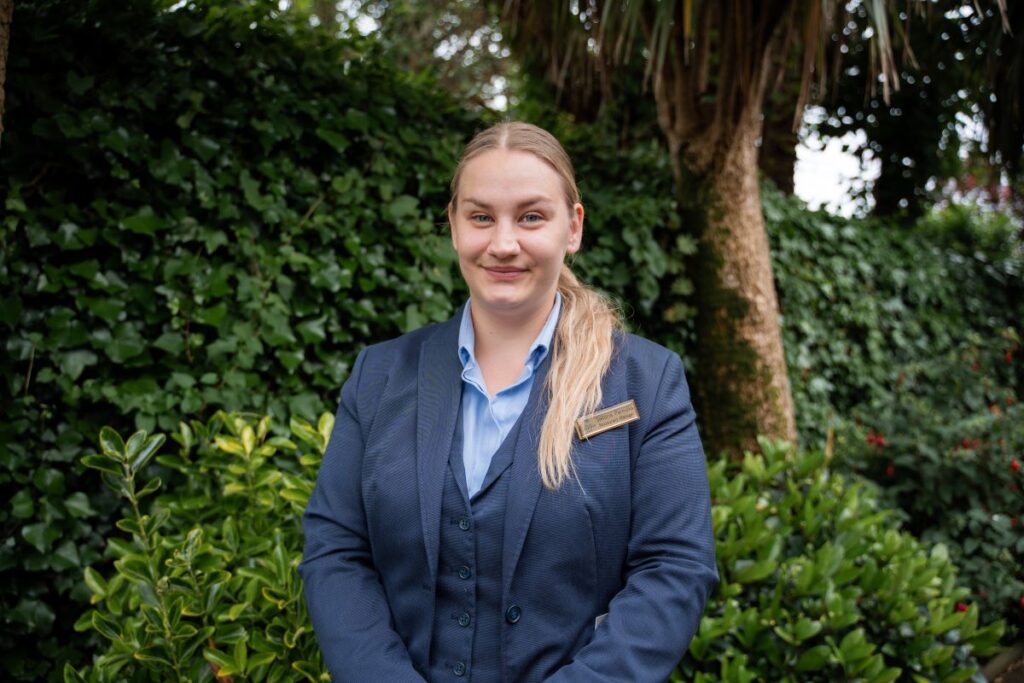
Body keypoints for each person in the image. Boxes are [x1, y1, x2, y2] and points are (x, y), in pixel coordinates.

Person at [299, 121, 718, 682]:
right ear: (452, 226)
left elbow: (675, 568)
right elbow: (336, 551)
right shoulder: (378, 375)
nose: (502, 243)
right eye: (480, 217)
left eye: (530, 217)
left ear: (573, 227)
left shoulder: (647, 381)